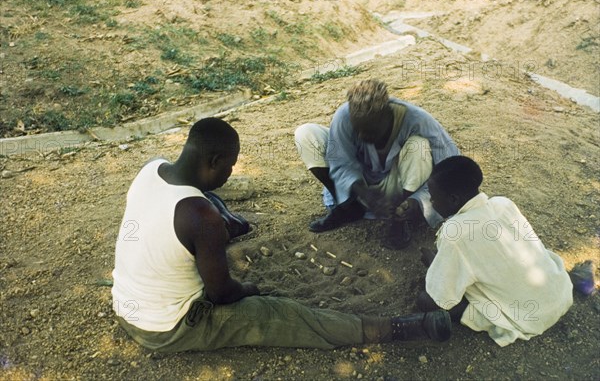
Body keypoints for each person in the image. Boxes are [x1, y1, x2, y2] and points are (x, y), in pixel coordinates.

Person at [111, 117, 452, 352]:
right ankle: (399, 328)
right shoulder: (200, 216)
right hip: (168, 328)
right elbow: (222, 294)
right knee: (281, 315)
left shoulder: (151, 169)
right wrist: (250, 289)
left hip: (128, 308)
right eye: (230, 166)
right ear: (214, 160)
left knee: (211, 203)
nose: (231, 173)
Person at [417, 156, 573, 347]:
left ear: (453, 199)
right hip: (560, 294)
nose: (431, 201)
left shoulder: (454, 232)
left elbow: (439, 299)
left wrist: (434, 263)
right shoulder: (503, 204)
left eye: (433, 196)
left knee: (425, 300)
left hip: (532, 316)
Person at [294, 79, 459, 247]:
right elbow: (340, 161)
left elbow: (449, 166)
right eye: (359, 129)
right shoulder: (344, 115)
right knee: (306, 134)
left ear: (388, 115)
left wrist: (417, 201)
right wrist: (364, 193)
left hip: (400, 185)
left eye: (371, 130)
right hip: (362, 184)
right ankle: (348, 207)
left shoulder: (417, 119)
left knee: (419, 146)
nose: (364, 135)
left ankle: (398, 217)